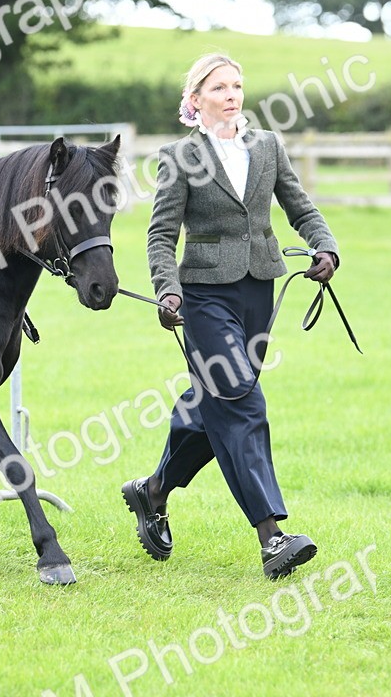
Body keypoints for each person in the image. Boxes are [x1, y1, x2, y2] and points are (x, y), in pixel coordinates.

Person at [121, 53, 340, 580]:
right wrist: (168, 291)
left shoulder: (267, 146)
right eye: (219, 87)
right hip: (203, 296)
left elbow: (299, 206)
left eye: (237, 86)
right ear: (195, 100)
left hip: (259, 289)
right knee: (241, 399)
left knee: (211, 406)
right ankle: (272, 537)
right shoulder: (180, 156)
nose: (231, 95)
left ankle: (153, 491)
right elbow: (161, 234)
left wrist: (325, 246)